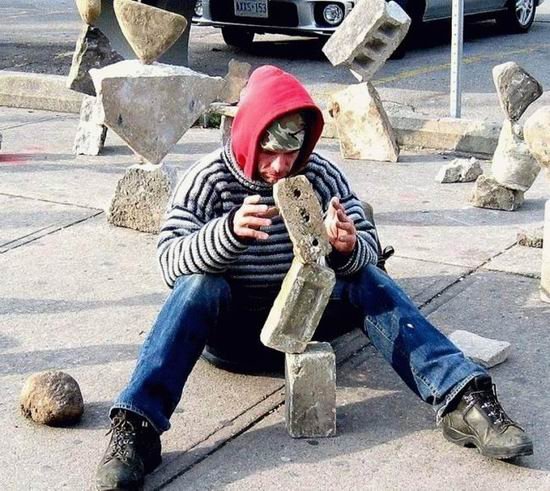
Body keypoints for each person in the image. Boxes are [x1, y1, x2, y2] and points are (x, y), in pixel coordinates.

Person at [95, 65, 533, 490]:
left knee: (367, 279)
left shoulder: (320, 175)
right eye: (269, 151)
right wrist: (226, 234)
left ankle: (463, 398)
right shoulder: (208, 180)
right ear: (247, 135)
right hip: (233, 334)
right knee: (198, 286)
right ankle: (137, 426)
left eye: (291, 152)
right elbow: (168, 261)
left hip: (308, 325)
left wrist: (348, 246)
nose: (280, 166)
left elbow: (368, 245)